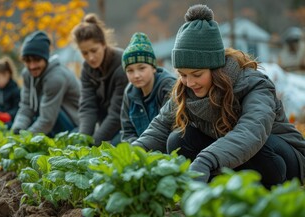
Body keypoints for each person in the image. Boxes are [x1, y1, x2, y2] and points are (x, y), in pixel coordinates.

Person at [132, 4, 305, 188]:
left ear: (215, 69)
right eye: (182, 74)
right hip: (234, 158)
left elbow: (250, 132)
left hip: (283, 159)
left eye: (197, 74)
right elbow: (159, 128)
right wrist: (127, 156)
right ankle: (222, 190)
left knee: (262, 149)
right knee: (178, 139)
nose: (189, 82)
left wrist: (207, 159)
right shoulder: (186, 89)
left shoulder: (254, 85)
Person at [72, 13, 128, 146]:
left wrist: (94, 143)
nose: (90, 57)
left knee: (112, 150)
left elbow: (116, 114)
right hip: (105, 125)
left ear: (103, 44)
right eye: (84, 53)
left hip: (126, 126)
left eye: (93, 50)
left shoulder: (122, 64)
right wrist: (84, 140)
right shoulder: (87, 69)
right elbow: (87, 106)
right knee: (76, 135)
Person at [11, 30, 80, 137]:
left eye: (37, 60)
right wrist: (17, 131)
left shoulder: (56, 77)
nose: (32, 66)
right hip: (51, 121)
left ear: (45, 58)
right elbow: (26, 106)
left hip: (75, 126)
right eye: (28, 61)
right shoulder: (27, 74)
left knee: (44, 108)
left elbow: (47, 120)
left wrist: (25, 139)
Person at [120, 32, 176, 143]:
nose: (136, 75)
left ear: (153, 68)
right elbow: (127, 132)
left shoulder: (168, 87)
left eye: (142, 68)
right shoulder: (129, 92)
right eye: (130, 70)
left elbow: (169, 129)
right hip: (141, 150)